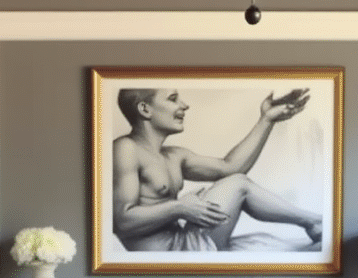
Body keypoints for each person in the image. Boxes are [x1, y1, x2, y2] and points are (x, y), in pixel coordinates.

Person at [112, 86, 323, 252]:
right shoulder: (125, 148)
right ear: (145, 109)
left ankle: (315, 222)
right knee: (238, 184)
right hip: (171, 256)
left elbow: (230, 168)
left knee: (237, 181)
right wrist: (179, 208)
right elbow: (122, 221)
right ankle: (314, 222)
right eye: (173, 99)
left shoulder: (173, 155)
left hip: (184, 243)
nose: (184, 106)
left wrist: (266, 119)